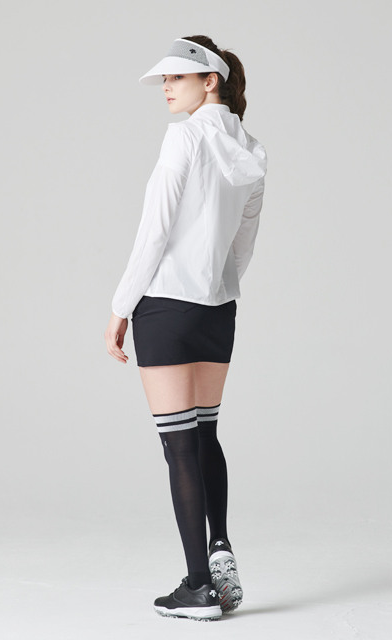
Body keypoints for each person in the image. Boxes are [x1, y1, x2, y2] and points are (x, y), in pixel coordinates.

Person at [104, 35, 267, 622]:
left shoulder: (184, 137)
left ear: (210, 80)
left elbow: (155, 229)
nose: (167, 88)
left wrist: (122, 306)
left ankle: (199, 587)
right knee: (205, 436)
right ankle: (218, 545)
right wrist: (217, 288)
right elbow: (243, 242)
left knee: (178, 446)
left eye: (177, 77)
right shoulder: (251, 149)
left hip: (166, 306)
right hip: (217, 309)